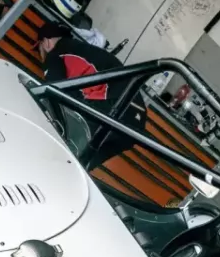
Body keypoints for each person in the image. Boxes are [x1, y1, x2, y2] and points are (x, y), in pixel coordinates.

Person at [35, 22, 147, 169]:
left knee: (64, 157)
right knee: (79, 166)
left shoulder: (56, 54)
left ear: (47, 42)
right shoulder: (87, 50)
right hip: (136, 120)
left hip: (113, 109)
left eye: (39, 49)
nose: (41, 55)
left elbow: (54, 93)